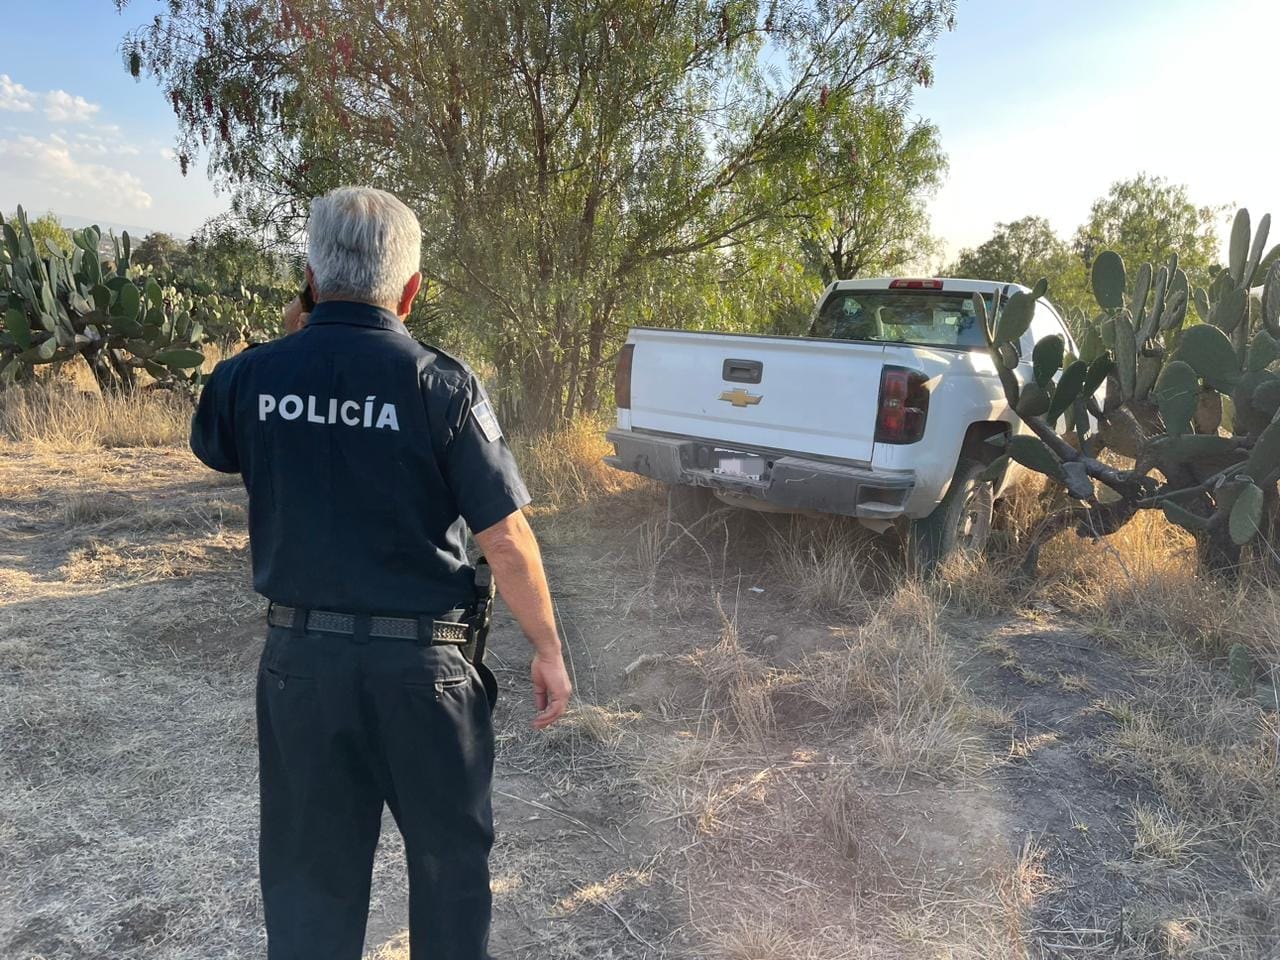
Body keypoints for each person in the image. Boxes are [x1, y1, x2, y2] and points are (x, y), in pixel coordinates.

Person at [190, 185, 572, 960]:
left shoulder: (250, 376)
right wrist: (549, 650)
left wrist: (300, 339)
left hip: (300, 668)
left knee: (307, 885)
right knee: (450, 875)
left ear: (309, 274)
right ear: (411, 289)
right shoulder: (442, 384)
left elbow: (219, 445)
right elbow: (504, 533)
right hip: (423, 675)